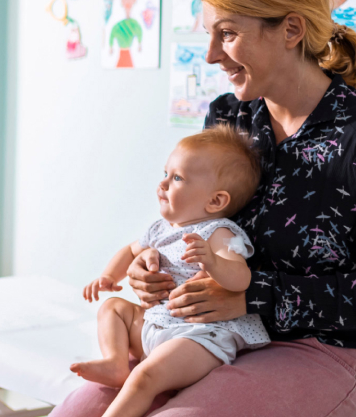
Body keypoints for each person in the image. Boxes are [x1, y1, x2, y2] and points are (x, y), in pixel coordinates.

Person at [52, 0, 356, 417]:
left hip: (316, 348)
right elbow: (200, 219)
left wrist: (252, 295)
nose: (211, 55)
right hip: (200, 334)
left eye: (227, 34)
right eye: (209, 34)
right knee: (77, 411)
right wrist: (154, 270)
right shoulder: (230, 116)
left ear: (291, 30)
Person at [72, 126, 269, 417]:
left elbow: (241, 279)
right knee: (112, 307)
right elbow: (130, 251)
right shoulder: (160, 229)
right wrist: (109, 277)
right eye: (166, 173)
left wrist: (213, 263)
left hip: (199, 336)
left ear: (215, 201)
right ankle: (115, 362)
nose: (162, 184)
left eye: (177, 178)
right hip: (158, 322)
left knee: (144, 378)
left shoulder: (219, 232)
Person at [108, 0, 143, 68]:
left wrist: (139, 44)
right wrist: (111, 46)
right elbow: (112, 35)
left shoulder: (136, 24)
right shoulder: (116, 25)